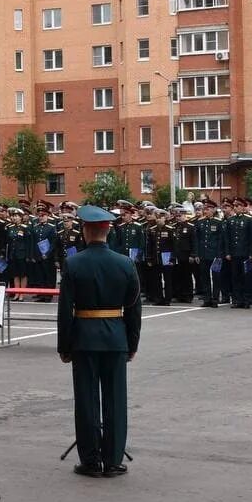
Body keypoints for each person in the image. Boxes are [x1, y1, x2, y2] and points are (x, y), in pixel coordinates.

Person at [57, 205, 142, 479]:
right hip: (115, 337)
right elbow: (134, 309)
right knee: (115, 400)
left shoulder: (73, 263)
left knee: (86, 400)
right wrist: (132, 344)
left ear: (85, 231)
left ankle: (91, 460)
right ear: (107, 231)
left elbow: (65, 310)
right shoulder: (125, 263)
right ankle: (113, 459)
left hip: (83, 337)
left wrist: (64, 346)